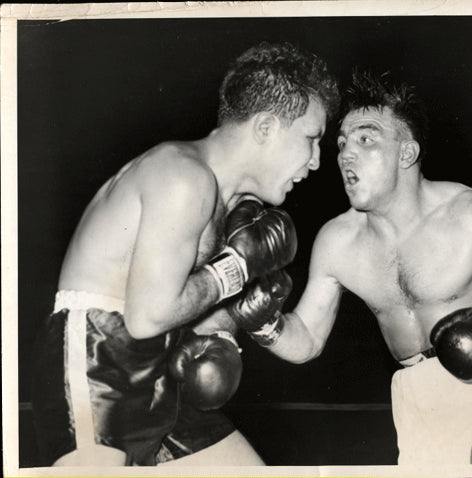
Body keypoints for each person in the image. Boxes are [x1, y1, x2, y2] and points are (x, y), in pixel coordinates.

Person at [228, 71, 472, 465]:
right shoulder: (338, 241)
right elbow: (306, 338)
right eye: (342, 144)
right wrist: (264, 324)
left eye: (365, 139)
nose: (345, 154)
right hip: (415, 397)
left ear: (406, 154)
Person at [31, 42, 339, 467]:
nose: (317, 161)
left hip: (160, 365)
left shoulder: (234, 208)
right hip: (97, 360)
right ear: (266, 128)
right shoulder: (183, 177)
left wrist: (239, 322)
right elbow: (147, 316)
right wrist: (236, 270)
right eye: (311, 139)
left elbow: (193, 307)